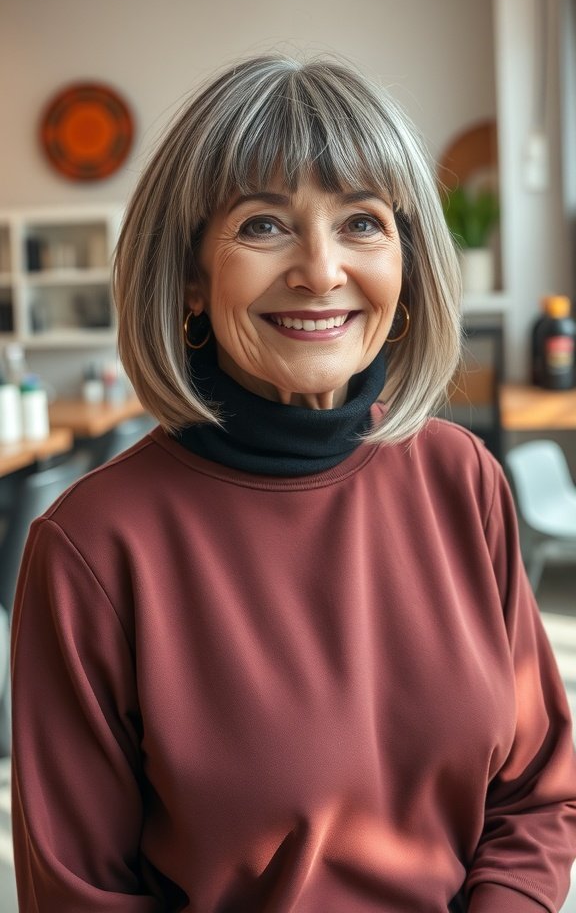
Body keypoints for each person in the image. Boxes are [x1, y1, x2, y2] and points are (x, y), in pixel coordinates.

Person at [10, 55, 576, 913]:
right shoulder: (92, 548)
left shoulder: (463, 479)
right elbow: (80, 893)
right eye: (265, 226)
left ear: (407, 269)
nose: (320, 270)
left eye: (361, 223)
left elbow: (537, 792)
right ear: (192, 278)